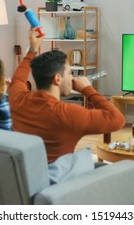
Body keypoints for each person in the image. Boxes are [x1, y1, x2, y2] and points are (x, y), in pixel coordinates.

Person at [8, 29, 126, 163]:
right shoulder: (68, 113)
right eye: (70, 73)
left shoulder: (17, 99)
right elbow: (117, 119)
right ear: (57, 79)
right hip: (58, 181)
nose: (72, 77)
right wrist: (87, 89)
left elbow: (18, 79)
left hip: (24, 176)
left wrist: (32, 50)